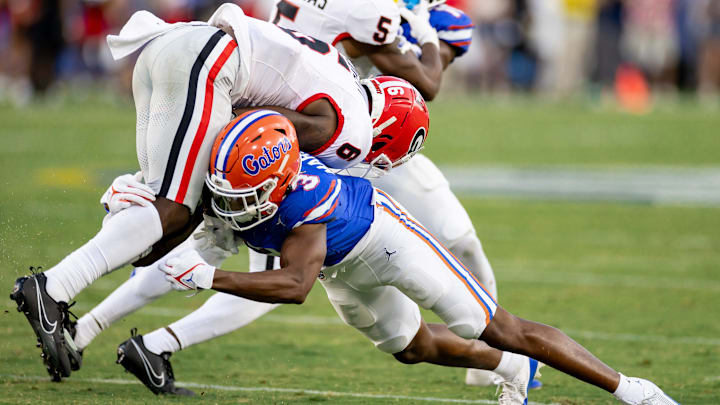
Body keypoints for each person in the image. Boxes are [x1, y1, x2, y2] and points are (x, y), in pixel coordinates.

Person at [71, 0, 503, 390]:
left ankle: (90, 328)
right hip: (312, 136)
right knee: (249, 262)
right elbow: (426, 82)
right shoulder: (373, 11)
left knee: (192, 231)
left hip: (257, 112)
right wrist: (427, 33)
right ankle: (141, 338)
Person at [153, 111, 678, 405]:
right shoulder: (244, 182)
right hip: (341, 266)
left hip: (385, 242)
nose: (231, 206)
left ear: (283, 180)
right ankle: (512, 369)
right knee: (411, 347)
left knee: (494, 325)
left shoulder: (303, 206)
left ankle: (634, 391)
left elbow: (293, 287)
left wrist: (205, 275)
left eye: (245, 195)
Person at [10, 3, 376, 382]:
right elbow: (256, 124)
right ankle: (53, 286)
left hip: (181, 52)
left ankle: (79, 325)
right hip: (207, 63)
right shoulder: (355, 132)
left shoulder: (340, 84)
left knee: (169, 211)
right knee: (173, 209)